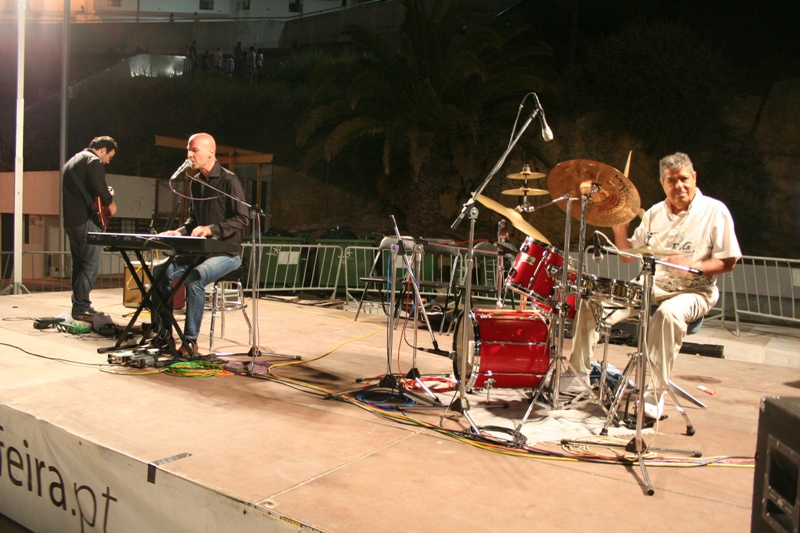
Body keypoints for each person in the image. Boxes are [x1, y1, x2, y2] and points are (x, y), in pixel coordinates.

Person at [565, 152, 741, 418]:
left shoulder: (715, 211)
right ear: (663, 183)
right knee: (592, 303)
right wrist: (620, 229)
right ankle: (576, 376)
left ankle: (653, 394)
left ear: (694, 178)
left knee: (667, 315)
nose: (678, 185)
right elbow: (627, 255)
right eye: (671, 180)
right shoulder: (654, 213)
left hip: (695, 290)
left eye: (683, 179)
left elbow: (729, 261)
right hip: (652, 285)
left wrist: (694, 266)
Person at [152, 133, 248, 357]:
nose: (189, 155)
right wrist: (178, 232)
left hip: (227, 252)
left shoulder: (229, 180)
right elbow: (193, 221)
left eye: (194, 150)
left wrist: (211, 229)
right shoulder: (196, 182)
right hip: (201, 251)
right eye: (188, 150)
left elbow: (242, 218)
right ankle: (164, 333)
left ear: (211, 152)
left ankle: (190, 341)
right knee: (159, 271)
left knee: (194, 278)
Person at [62, 136, 118, 321]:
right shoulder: (93, 161)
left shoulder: (71, 162)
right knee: (91, 265)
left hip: (71, 221)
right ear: (102, 150)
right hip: (87, 221)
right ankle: (81, 306)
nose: (108, 161)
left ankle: (79, 304)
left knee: (79, 265)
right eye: (109, 156)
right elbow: (98, 186)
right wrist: (110, 202)